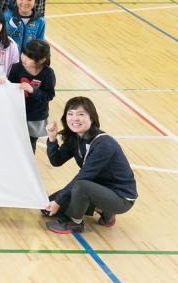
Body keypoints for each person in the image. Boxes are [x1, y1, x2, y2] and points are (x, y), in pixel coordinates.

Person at [44, 97, 137, 233]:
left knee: (81, 186)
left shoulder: (104, 143)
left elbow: (84, 176)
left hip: (120, 197)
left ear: (92, 118)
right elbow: (56, 161)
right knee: (46, 208)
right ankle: (103, 211)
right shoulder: (75, 138)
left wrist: (59, 202)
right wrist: (52, 138)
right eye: (70, 114)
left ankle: (75, 223)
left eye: (80, 114)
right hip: (97, 188)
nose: (74, 118)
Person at [12, 39, 55, 153]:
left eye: (29, 57)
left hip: (35, 117)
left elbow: (49, 95)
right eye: (24, 53)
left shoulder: (48, 73)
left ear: (42, 60)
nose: (24, 58)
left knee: (29, 148)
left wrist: (33, 90)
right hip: (17, 114)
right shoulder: (16, 68)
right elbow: (10, 89)